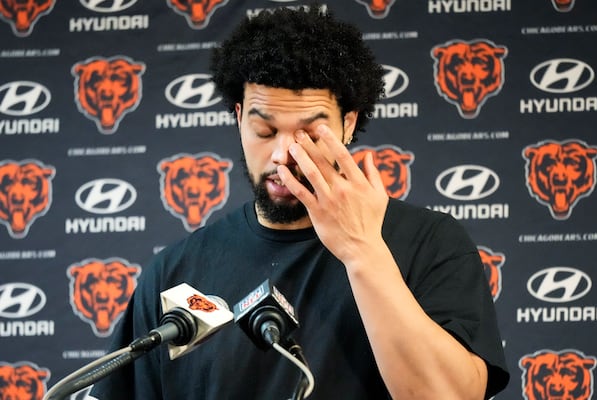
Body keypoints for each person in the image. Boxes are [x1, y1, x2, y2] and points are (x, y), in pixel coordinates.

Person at [90, 5, 509, 400]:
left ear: (347, 123)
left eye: (309, 132)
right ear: (238, 120)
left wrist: (363, 251)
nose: (283, 154)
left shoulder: (427, 243)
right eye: (265, 130)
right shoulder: (175, 274)